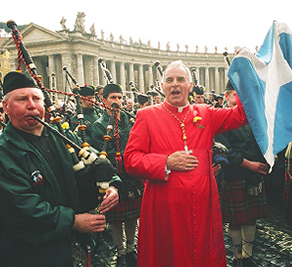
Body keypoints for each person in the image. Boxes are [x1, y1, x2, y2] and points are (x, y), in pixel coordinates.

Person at [123, 60, 248, 267]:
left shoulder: (206, 113)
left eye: (181, 79)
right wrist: (165, 161)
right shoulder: (147, 116)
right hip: (164, 209)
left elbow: (241, 115)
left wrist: (243, 75)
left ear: (190, 86)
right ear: (162, 86)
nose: (175, 84)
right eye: (169, 80)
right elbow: (131, 159)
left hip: (203, 208)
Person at [0, 71, 121, 267]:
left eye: (36, 98)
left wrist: (113, 187)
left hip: (73, 247)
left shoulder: (61, 137)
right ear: (6, 106)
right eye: (22, 99)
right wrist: (73, 221)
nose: (31, 105)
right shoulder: (4, 152)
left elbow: (97, 162)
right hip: (29, 253)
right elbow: (22, 207)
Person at [215, 80, 269, 267]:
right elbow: (225, 151)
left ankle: (248, 256)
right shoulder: (221, 118)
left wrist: (268, 156)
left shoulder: (252, 117)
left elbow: (262, 140)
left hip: (253, 176)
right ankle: (237, 255)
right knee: (236, 220)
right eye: (236, 94)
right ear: (227, 96)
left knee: (251, 217)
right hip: (235, 175)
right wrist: (249, 165)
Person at [91, 83, 143, 267]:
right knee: (115, 220)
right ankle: (120, 250)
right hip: (115, 177)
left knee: (131, 216)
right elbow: (104, 154)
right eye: (113, 98)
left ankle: (130, 247)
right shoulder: (99, 126)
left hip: (132, 175)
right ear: (104, 101)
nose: (117, 102)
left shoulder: (129, 120)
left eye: (120, 98)